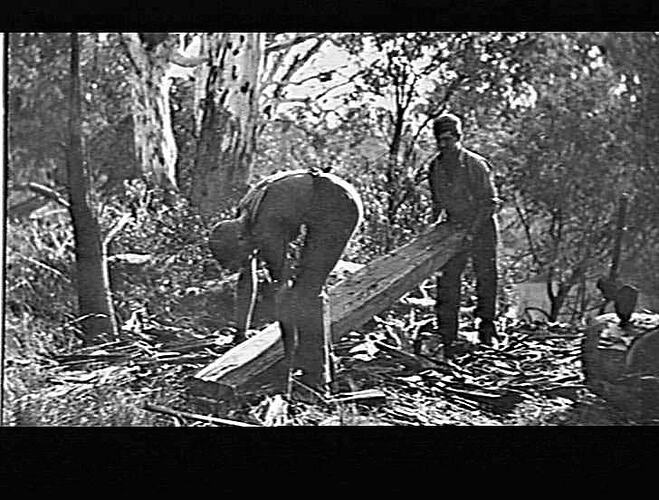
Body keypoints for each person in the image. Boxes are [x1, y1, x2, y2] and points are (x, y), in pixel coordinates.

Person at [208, 169, 363, 398]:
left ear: (243, 241)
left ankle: (316, 381)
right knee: (302, 294)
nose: (247, 259)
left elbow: (282, 290)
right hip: (314, 200)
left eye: (241, 256)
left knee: (306, 292)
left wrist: (287, 359)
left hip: (339, 204)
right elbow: (246, 278)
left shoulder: (265, 229)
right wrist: (240, 333)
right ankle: (319, 364)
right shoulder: (242, 220)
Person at [427, 113, 501, 353]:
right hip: (454, 228)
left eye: (448, 139)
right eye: (440, 140)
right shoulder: (435, 166)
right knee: (448, 280)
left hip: (482, 227)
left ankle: (487, 329)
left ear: (458, 138)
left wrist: (472, 232)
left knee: (486, 277)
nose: (444, 145)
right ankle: (447, 333)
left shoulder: (474, 164)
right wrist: (432, 229)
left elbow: (490, 203)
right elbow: (438, 202)